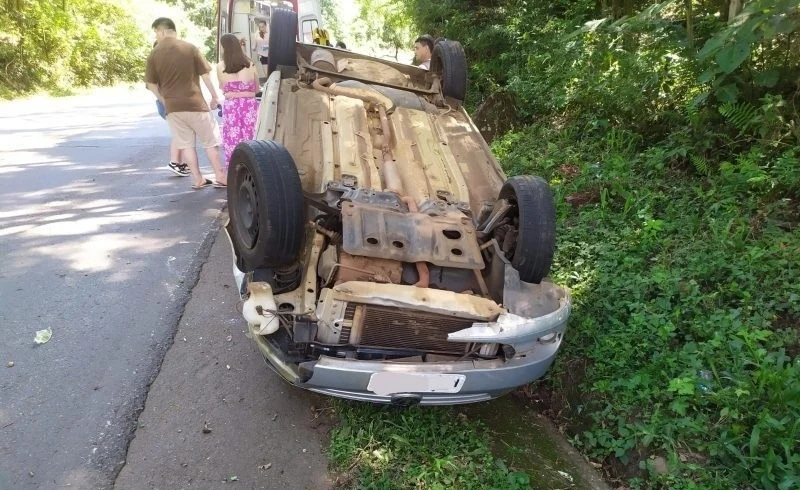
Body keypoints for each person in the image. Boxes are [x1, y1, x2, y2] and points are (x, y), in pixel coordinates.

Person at [145, 17, 226, 189]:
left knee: (186, 145)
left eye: (156, 33)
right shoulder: (190, 48)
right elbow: (205, 75)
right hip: (196, 104)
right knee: (210, 142)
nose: (156, 37)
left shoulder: (154, 54)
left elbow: (151, 85)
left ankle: (198, 179)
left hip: (173, 109)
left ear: (161, 31)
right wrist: (214, 96)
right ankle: (220, 176)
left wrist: (164, 100)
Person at [216, 33, 260, 168]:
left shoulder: (220, 67)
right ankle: (254, 167)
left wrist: (233, 93)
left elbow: (222, 88)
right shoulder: (250, 64)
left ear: (224, 48)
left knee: (233, 139)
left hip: (231, 107)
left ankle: (236, 168)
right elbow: (257, 88)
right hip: (249, 106)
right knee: (252, 136)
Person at [151, 41, 187, 176]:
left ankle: (181, 162)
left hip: (173, 102)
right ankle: (174, 162)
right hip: (168, 103)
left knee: (182, 132)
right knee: (180, 133)